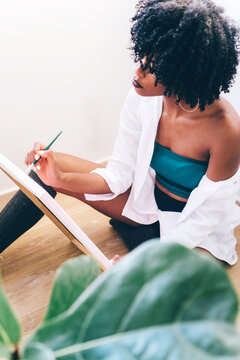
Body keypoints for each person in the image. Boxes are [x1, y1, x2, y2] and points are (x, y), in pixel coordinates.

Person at [1, 0, 240, 265]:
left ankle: (147, 244)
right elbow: (120, 173)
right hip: (147, 200)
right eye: (141, 57)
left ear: (183, 72)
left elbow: (207, 215)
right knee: (46, 167)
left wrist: (143, 265)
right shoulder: (141, 98)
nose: (138, 70)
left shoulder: (226, 129)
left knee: (166, 286)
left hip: (194, 228)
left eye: (152, 67)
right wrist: (59, 178)